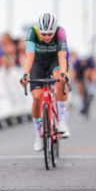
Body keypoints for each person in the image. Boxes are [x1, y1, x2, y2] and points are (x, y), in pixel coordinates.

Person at [20, 12, 70, 151]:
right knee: (37, 98)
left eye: (50, 34)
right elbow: (29, 56)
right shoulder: (32, 32)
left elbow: (62, 55)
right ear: (39, 30)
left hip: (55, 61)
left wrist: (64, 74)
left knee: (60, 80)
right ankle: (38, 135)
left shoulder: (60, 32)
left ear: (55, 30)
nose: (47, 37)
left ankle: (61, 121)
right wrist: (25, 74)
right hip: (38, 63)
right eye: (44, 34)